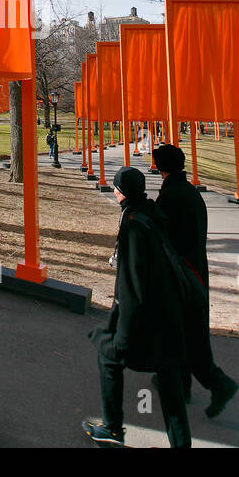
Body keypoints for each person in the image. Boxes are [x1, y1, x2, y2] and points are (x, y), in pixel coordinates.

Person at [83, 167, 191, 448]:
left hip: (148, 320)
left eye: (117, 186)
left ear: (123, 191)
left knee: (109, 358)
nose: (115, 190)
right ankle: (181, 444)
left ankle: (113, 428)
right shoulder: (152, 214)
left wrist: (123, 336)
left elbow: (133, 287)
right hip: (171, 315)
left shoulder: (132, 225)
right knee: (169, 381)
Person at [152, 143, 239, 419]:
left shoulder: (171, 195)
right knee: (186, 331)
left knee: (186, 334)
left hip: (181, 274)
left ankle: (219, 384)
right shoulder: (189, 191)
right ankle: (181, 384)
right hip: (195, 269)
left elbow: (162, 234)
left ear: (160, 165)